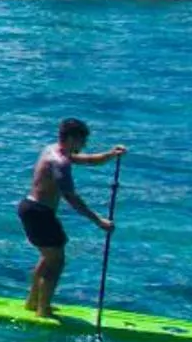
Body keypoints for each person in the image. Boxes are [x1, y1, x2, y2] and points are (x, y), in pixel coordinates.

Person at [19, 118, 125, 317]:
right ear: (70, 138)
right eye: (82, 141)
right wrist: (99, 221)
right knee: (56, 261)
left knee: (49, 257)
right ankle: (43, 310)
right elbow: (71, 198)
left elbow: (87, 159)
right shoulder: (59, 162)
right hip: (39, 213)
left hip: (32, 209)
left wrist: (110, 155)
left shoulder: (52, 150)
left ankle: (33, 303)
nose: (84, 145)